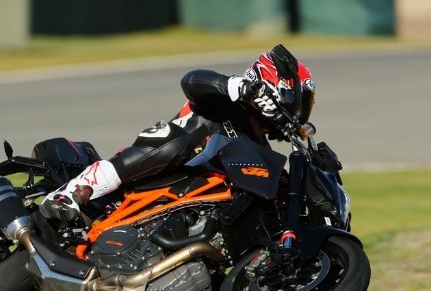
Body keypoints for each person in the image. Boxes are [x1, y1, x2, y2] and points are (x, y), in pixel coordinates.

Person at [39, 44, 315, 222]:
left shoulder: (259, 147)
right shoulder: (225, 100)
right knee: (175, 141)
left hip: (185, 201)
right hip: (158, 166)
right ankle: (73, 191)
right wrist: (237, 87)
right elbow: (192, 80)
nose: (299, 112)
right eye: (298, 101)